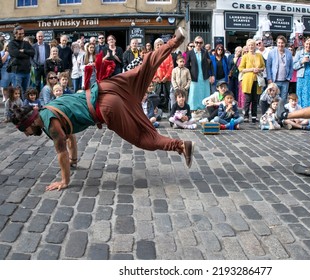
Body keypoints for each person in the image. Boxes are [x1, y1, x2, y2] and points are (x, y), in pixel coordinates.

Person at [9, 28, 194, 191]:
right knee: (142, 70)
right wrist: (75, 161)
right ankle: (175, 40)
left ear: (30, 121)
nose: (26, 134)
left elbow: (61, 153)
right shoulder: (49, 108)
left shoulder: (50, 125)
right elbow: (70, 138)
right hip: (106, 88)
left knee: (142, 138)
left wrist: (64, 181)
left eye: (24, 130)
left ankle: (179, 145)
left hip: (106, 107)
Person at [238, 38, 265, 124]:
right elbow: (241, 68)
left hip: (257, 79)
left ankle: (254, 116)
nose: (251, 47)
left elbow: (263, 66)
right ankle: (246, 116)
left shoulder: (259, 56)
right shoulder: (245, 56)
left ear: (255, 46)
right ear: (247, 46)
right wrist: (251, 69)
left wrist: (259, 69)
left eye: (252, 45)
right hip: (247, 79)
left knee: (255, 99)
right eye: (249, 45)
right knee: (247, 99)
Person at [185, 36, 215, 111]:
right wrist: (187, 76)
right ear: (194, 43)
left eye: (200, 43)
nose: (198, 44)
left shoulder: (205, 52)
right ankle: (193, 109)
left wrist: (212, 75)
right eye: (197, 42)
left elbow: (210, 64)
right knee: (194, 93)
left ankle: (204, 107)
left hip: (204, 76)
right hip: (194, 76)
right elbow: (187, 65)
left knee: (204, 92)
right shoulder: (190, 53)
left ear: (203, 44)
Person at [8, 25, 35, 96]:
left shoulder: (26, 43)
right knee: (17, 92)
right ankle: (18, 106)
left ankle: (24, 106)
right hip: (17, 72)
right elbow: (16, 54)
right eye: (20, 34)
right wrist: (26, 54)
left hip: (27, 71)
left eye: (23, 33)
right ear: (15, 34)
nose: (21, 35)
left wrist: (24, 51)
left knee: (26, 91)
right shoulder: (11, 44)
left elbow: (33, 52)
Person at [266, 35, 294, 101]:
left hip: (285, 81)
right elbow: (268, 66)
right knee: (274, 99)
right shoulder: (271, 52)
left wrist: (289, 77)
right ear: (277, 43)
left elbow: (291, 66)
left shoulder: (289, 53)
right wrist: (269, 78)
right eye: (279, 43)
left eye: (282, 43)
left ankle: (282, 111)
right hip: (275, 80)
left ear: (285, 43)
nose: (280, 44)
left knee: (283, 99)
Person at [152, 38, 173, 111]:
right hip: (156, 79)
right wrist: (156, 77)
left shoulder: (168, 55)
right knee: (156, 95)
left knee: (166, 95)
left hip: (167, 79)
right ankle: (156, 110)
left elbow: (171, 66)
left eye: (161, 44)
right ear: (155, 46)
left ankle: (166, 110)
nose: (159, 46)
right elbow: (151, 68)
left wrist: (166, 77)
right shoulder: (153, 55)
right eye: (158, 45)